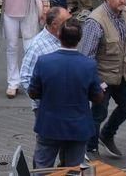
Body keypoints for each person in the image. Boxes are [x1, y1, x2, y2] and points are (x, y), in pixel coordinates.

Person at [28, 18, 104, 170]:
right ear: (79, 39)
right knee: (73, 170)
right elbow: (97, 97)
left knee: (42, 168)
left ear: (59, 36)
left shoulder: (44, 62)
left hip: (49, 125)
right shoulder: (88, 65)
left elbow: (33, 92)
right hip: (78, 127)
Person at [77, 0, 126, 159]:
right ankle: (90, 147)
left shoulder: (124, 12)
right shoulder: (95, 21)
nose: (123, 1)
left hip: (121, 73)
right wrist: (95, 83)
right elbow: (86, 56)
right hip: (101, 77)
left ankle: (107, 134)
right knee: (98, 114)